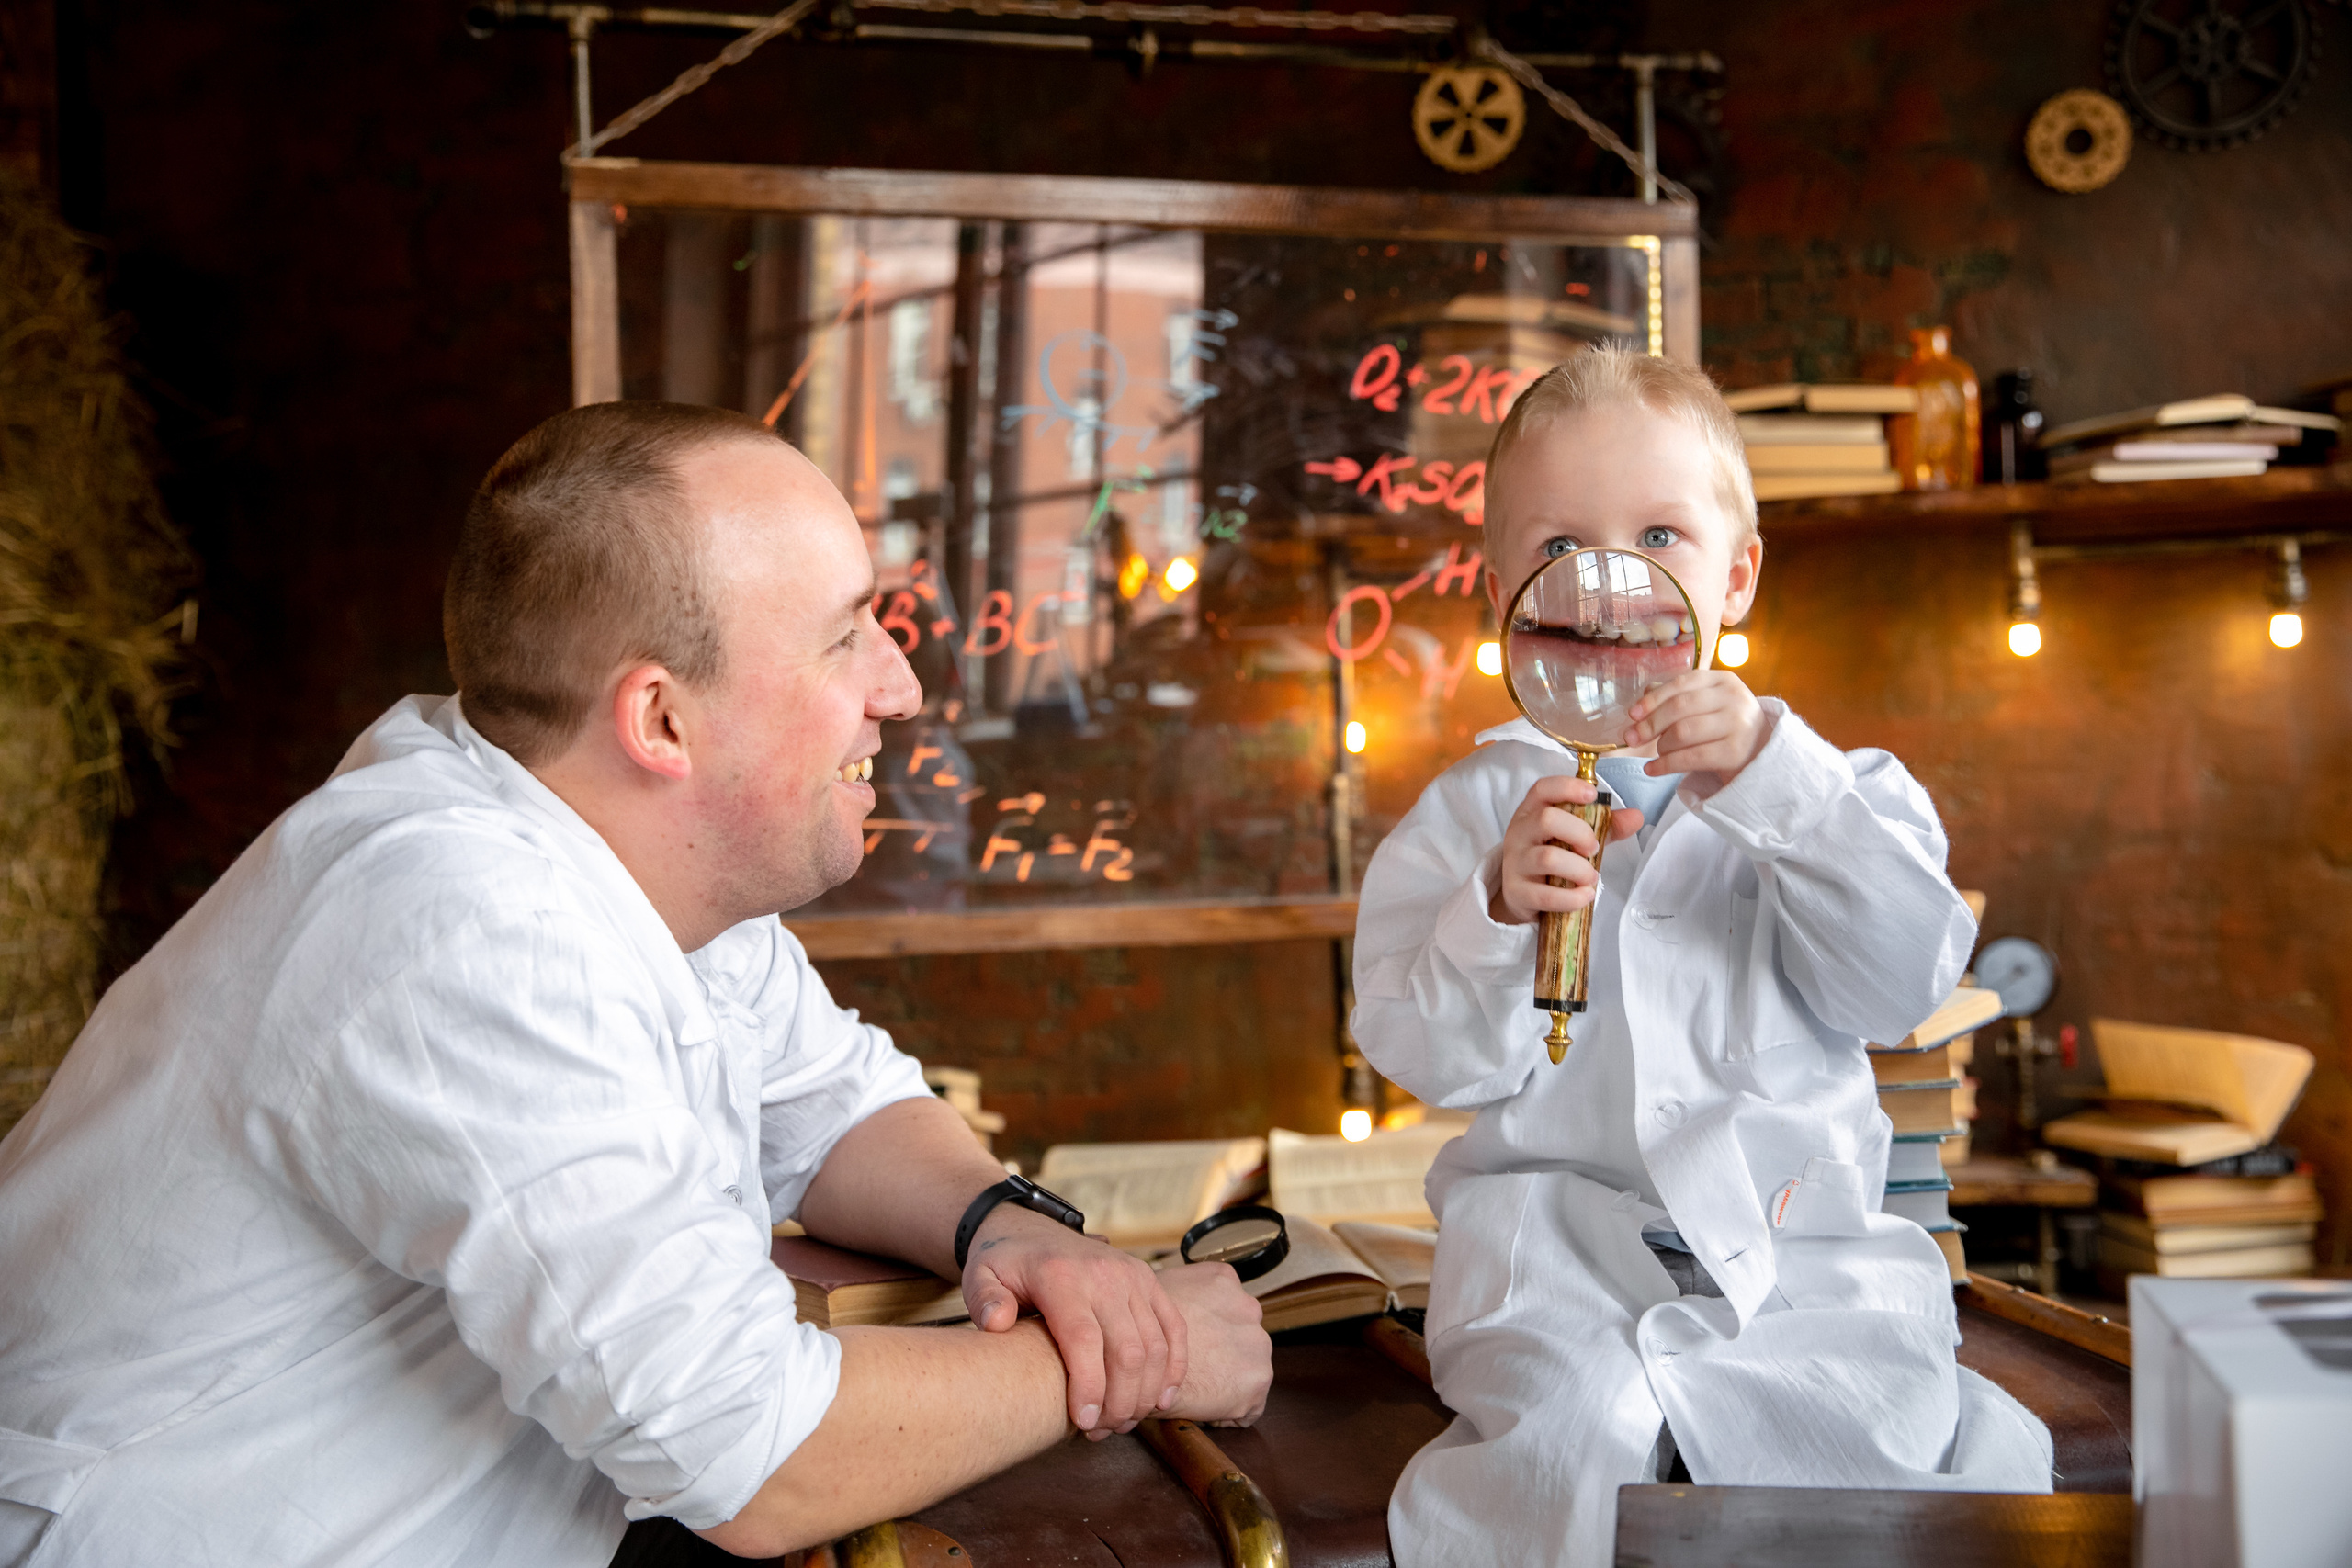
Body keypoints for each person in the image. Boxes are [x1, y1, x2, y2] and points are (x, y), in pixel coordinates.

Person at [0, 402, 1272, 1567]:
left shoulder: (608, 840)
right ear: (660, 721)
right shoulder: (470, 927)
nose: (901, 686)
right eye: (844, 637)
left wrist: (1017, 1231)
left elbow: (832, 1105)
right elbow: (751, 1455)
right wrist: (1143, 1353)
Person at [1351, 348, 2052, 1568]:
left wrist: (1782, 788)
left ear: (1737, 579)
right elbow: (1420, 1052)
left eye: (1660, 538)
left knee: (1864, 1449)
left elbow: (1902, 986)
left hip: (1803, 1255)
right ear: (1503, 594)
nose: (1609, 586)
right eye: (1560, 547)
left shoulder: (1845, 792)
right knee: (1563, 1455)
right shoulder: (1474, 811)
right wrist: (1494, 913)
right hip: (1554, 1255)